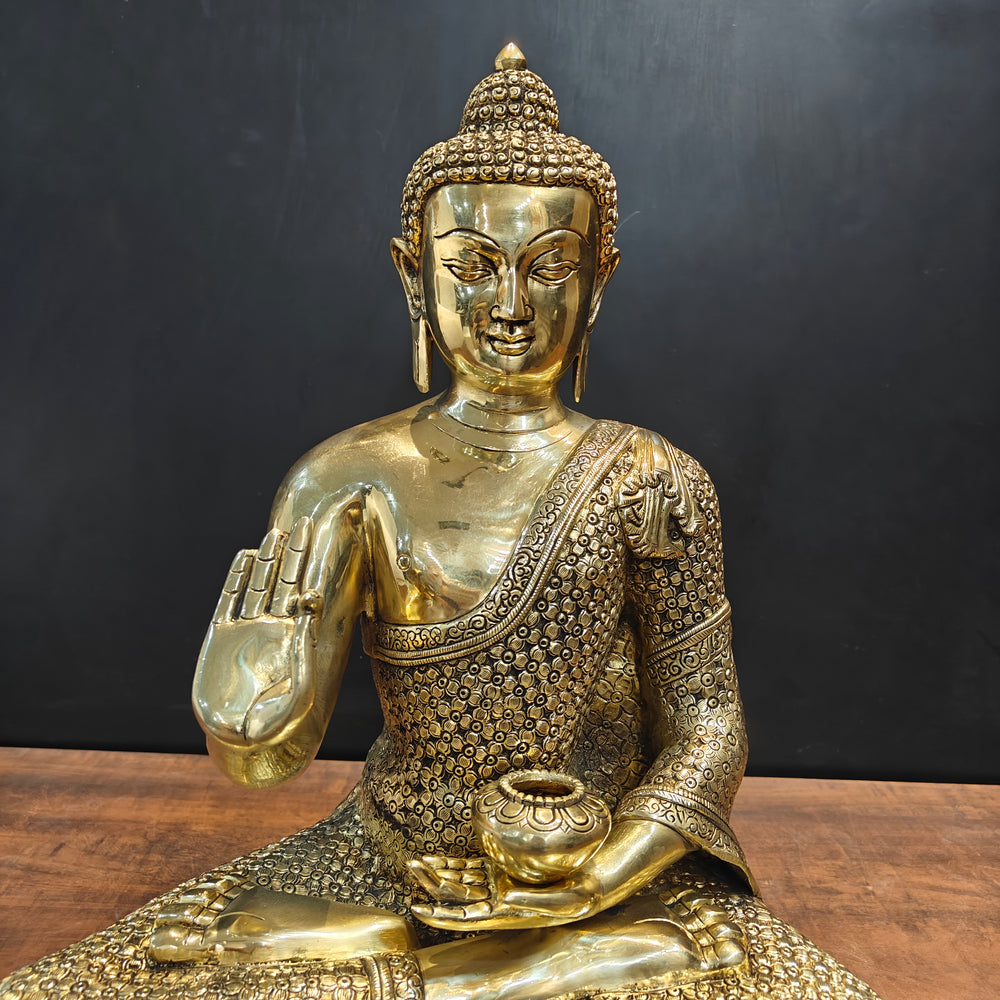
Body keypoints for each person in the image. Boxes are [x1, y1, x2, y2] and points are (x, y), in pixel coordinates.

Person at [2, 46, 880, 1000]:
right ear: (413, 274)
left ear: (599, 279)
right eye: (472, 266)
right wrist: (244, 701)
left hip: (588, 864)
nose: (510, 307)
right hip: (392, 852)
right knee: (164, 969)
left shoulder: (651, 481)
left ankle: (494, 962)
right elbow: (264, 756)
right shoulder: (347, 477)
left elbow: (708, 726)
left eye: (550, 266)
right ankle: (448, 960)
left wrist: (596, 876)